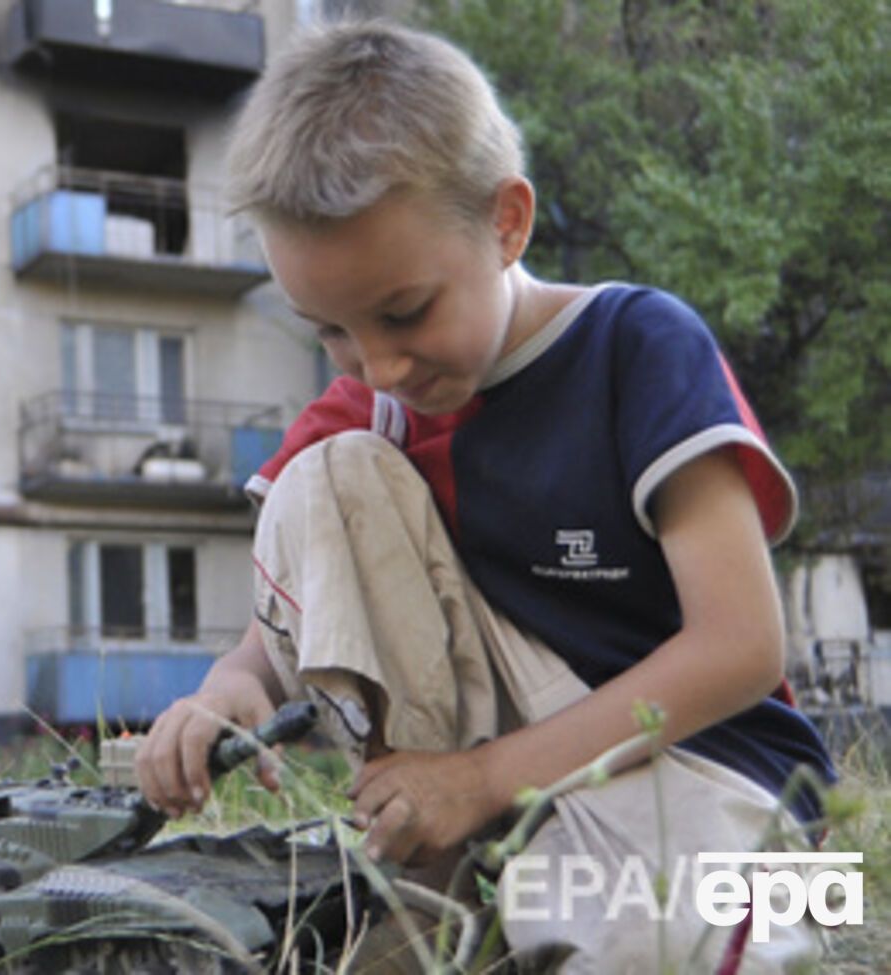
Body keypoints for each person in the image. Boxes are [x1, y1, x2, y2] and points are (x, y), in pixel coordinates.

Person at [135, 18, 834, 973]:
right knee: (324, 473)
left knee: (663, 939)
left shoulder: (636, 346)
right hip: (496, 808)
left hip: (711, 778)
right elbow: (272, 646)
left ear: (507, 222)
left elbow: (745, 647)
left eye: (405, 311)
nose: (378, 364)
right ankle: (437, 883)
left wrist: (485, 776)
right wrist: (226, 694)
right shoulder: (366, 417)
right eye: (329, 331)